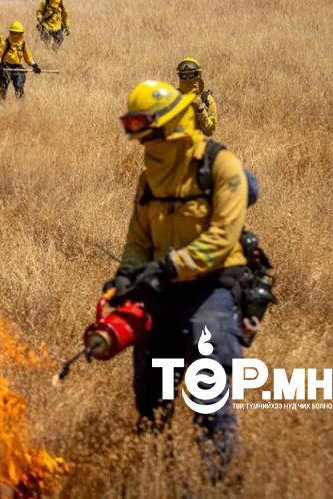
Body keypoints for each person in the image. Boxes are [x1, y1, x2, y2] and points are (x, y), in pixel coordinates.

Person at [108, 80, 249, 483]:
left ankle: (222, 483)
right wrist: (127, 274)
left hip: (212, 291)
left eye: (150, 132)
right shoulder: (149, 176)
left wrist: (171, 266)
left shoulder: (220, 165)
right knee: (151, 400)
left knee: (210, 398)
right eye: (140, 135)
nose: (144, 143)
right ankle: (159, 481)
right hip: (160, 295)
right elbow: (138, 237)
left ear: (173, 125)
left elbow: (223, 236)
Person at [0, 22, 41, 99]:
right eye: (15, 33)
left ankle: (21, 107)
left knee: (20, 89)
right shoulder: (6, 43)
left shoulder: (23, 44)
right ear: (11, 33)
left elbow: (28, 57)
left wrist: (34, 65)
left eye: (19, 33)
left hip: (18, 68)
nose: (17, 35)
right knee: (3, 88)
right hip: (6, 67)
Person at [178, 57, 217, 136]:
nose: (188, 79)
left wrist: (200, 109)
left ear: (198, 75)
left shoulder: (206, 99)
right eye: (184, 76)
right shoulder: (173, 97)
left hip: (196, 144)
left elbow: (209, 131)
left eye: (191, 75)